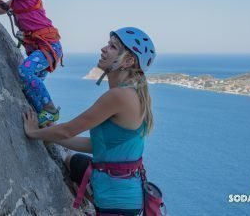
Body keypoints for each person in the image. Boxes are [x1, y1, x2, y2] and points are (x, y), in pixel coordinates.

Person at [23, 27, 156, 216]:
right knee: (71, 160)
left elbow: (68, 130)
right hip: (125, 191)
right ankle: (90, 194)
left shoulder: (119, 96)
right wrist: (51, 132)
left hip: (117, 206)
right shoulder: (131, 93)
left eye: (112, 47)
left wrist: (33, 133)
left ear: (128, 61)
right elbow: (95, 145)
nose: (103, 49)